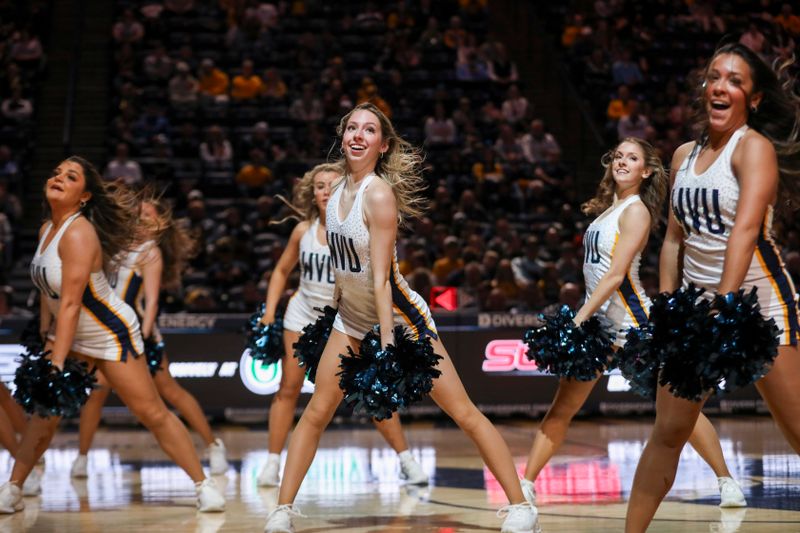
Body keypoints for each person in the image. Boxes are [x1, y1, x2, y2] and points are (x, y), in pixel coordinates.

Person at [265, 103, 539, 533]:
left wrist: (388, 345)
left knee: (462, 411)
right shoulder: (335, 193)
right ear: (343, 136)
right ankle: (281, 512)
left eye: (368, 130)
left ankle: (522, 507)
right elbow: (342, 272)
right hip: (350, 318)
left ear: (382, 144)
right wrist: (332, 321)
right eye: (352, 127)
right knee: (315, 411)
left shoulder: (378, 194)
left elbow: (380, 280)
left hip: (399, 320)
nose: (358, 135)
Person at [625, 43, 800, 532]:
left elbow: (744, 233)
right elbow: (673, 240)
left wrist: (725, 308)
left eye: (735, 81)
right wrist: (668, 308)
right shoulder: (685, 155)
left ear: (754, 98)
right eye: (714, 77)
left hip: (759, 307)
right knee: (668, 431)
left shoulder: (754, 149)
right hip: (699, 309)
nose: (721, 86)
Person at [521, 137, 745, 508]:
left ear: (646, 171)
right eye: (619, 156)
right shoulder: (608, 211)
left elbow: (614, 276)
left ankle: (726, 482)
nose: (623, 161)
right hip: (598, 325)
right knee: (562, 409)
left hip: (632, 322)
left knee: (674, 404)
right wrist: (586, 319)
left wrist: (578, 318)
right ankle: (526, 485)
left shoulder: (636, 210)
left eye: (633, 158)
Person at [0, 157, 224, 514]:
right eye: (56, 172)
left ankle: (204, 484)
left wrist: (56, 361)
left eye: (70, 177)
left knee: (152, 412)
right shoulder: (47, 230)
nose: (58, 177)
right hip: (71, 334)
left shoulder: (78, 232)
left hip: (109, 333)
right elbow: (49, 292)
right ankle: (12, 488)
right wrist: (45, 334)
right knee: (46, 414)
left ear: (84, 195)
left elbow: (72, 302)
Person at [255, 162, 428, 488]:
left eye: (331, 185)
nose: (324, 191)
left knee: (370, 391)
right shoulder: (301, 231)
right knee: (288, 389)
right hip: (303, 315)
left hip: (344, 317)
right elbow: (280, 272)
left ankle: (406, 459)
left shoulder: (356, 228)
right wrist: (269, 311)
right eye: (319, 185)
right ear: (313, 192)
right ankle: (271, 462)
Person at [71, 191, 229, 478]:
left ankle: (214, 445)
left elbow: (152, 302)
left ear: (158, 224)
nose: (140, 219)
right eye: (137, 214)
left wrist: (141, 340)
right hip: (105, 333)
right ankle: (81, 457)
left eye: (147, 215)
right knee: (95, 393)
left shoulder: (149, 253)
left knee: (169, 392)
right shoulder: (114, 248)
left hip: (137, 336)